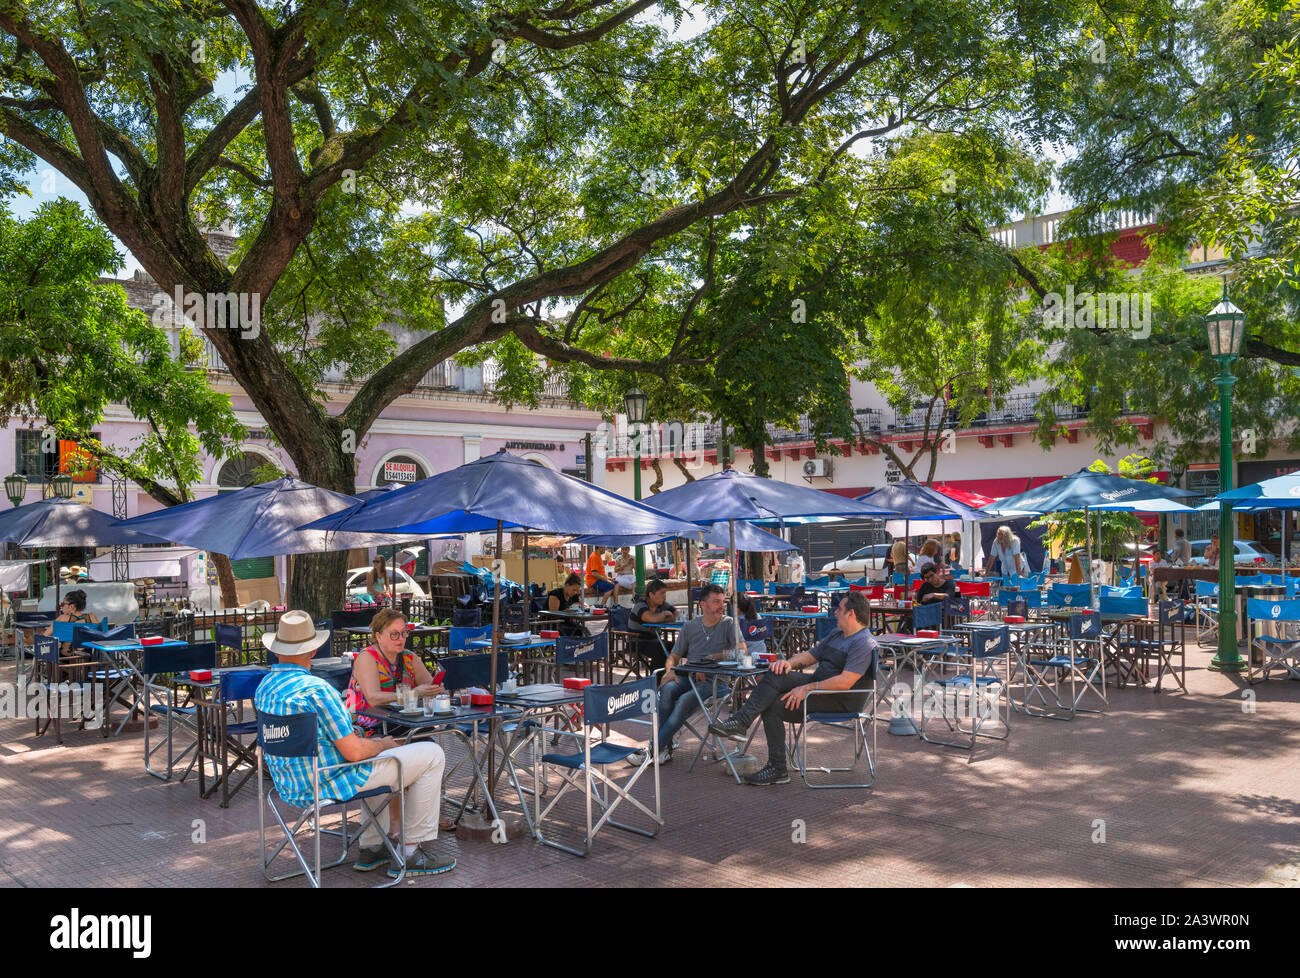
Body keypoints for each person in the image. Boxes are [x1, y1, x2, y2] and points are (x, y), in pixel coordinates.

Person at [253, 611, 453, 878]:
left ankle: (372, 846)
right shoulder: (318, 690)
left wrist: (377, 746)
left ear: (277, 651)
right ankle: (410, 853)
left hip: (288, 785)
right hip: (329, 781)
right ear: (312, 651)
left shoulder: (264, 687)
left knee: (380, 758)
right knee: (431, 754)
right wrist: (381, 744)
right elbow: (355, 752)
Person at [709, 591, 876, 786]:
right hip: (818, 685)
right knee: (776, 672)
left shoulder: (863, 642)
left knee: (773, 706)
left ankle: (777, 768)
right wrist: (788, 663)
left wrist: (806, 689)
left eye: (839, 609)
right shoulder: (837, 634)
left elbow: (845, 682)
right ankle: (741, 722)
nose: (835, 612)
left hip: (841, 699)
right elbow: (810, 656)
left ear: (851, 614)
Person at [629, 583, 735, 766]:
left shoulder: (728, 624)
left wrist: (708, 660)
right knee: (668, 689)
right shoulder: (690, 626)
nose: (722, 605)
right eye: (716, 601)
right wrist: (669, 671)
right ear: (703, 604)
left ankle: (652, 750)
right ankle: (664, 748)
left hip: (716, 681)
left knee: (685, 700)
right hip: (690, 676)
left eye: (723, 601)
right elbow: (674, 656)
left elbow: (740, 650)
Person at [349, 609, 445, 737]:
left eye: (404, 633)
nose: (400, 639)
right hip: (368, 728)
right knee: (423, 744)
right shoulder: (367, 657)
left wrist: (435, 689)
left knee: (426, 741)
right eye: (394, 634)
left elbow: (429, 686)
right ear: (379, 636)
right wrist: (415, 693)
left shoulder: (409, 657)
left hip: (403, 722)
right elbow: (373, 699)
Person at [629, 578, 677, 672]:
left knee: (678, 647)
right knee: (661, 650)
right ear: (651, 594)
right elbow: (650, 618)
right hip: (637, 642)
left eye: (665, 593)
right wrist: (664, 614)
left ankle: (678, 674)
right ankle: (656, 681)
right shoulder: (640, 605)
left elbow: (675, 615)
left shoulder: (662, 604)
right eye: (662, 593)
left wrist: (662, 617)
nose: (664, 596)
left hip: (655, 640)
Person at [547, 572, 587, 637]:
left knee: (584, 631)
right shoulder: (556, 594)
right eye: (574, 590)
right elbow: (553, 614)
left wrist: (580, 605)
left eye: (577, 590)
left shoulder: (574, 595)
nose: (575, 592)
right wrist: (569, 610)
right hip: (553, 625)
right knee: (579, 631)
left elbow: (585, 605)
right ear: (567, 585)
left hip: (567, 623)